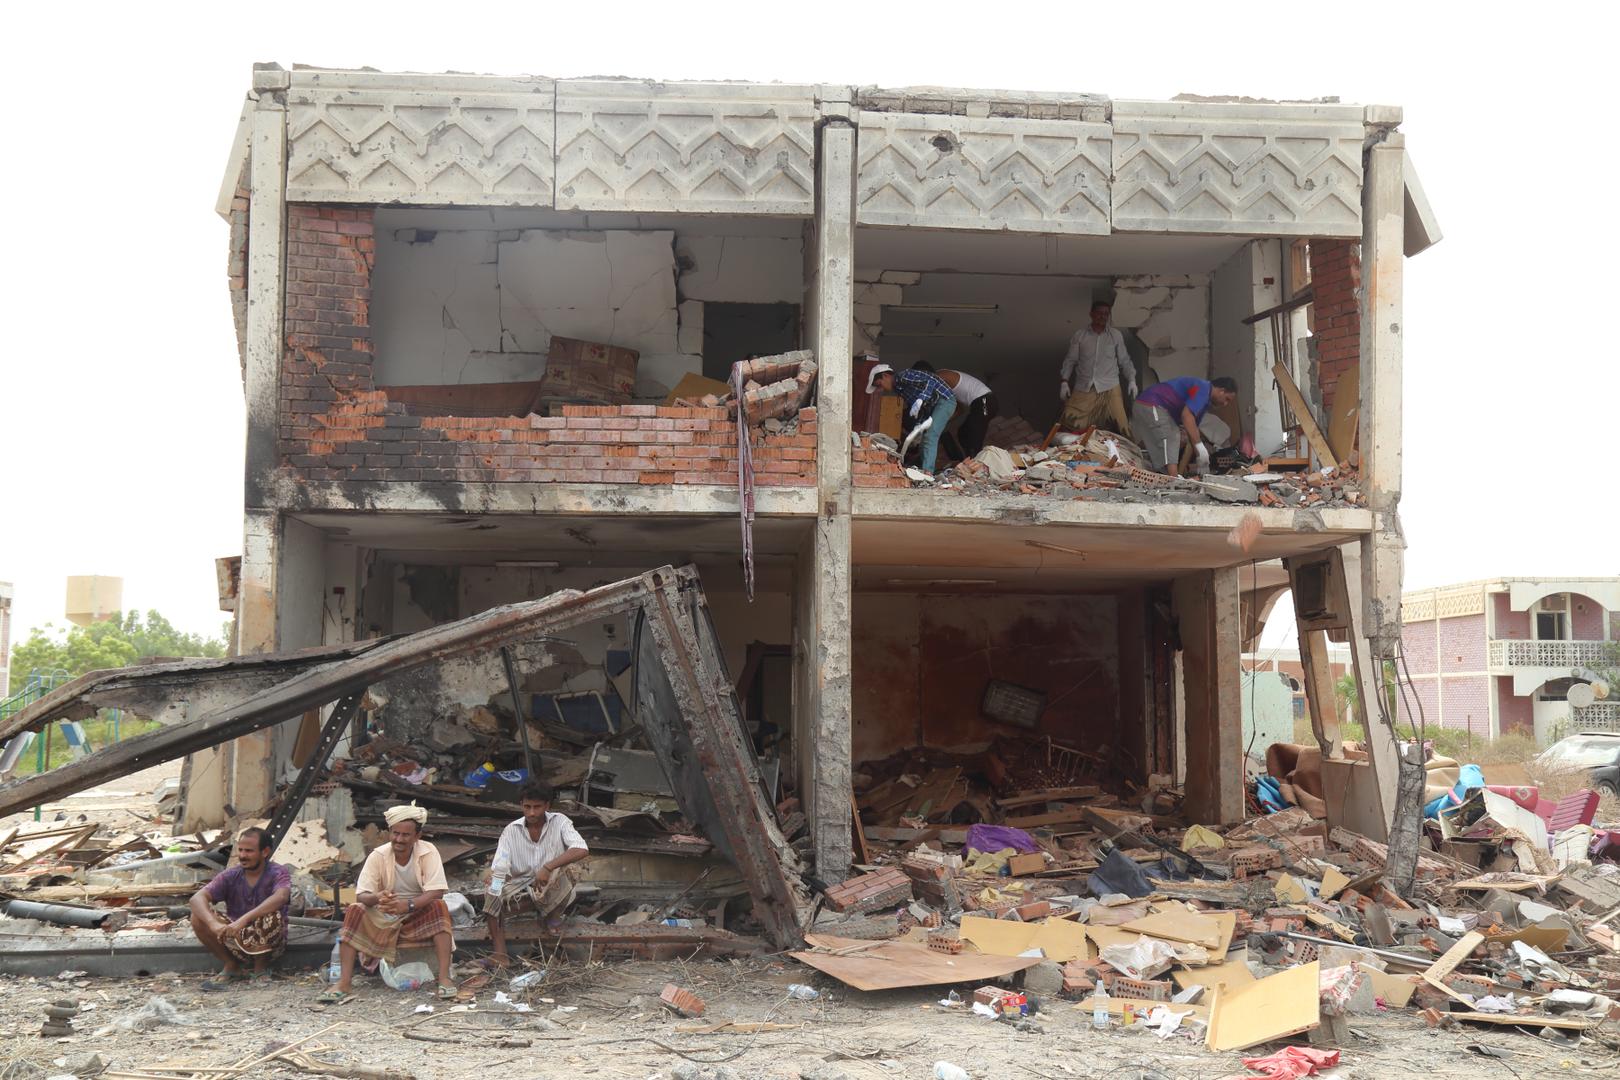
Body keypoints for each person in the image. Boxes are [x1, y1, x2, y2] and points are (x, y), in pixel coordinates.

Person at [320, 803, 455, 1004]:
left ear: (417, 836)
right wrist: (378, 897)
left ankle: (444, 978)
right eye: (395, 833)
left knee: (439, 907)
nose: (399, 839)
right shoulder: (379, 855)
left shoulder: (428, 851)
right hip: (384, 913)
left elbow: (437, 891)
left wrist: (407, 905)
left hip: (415, 913)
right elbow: (362, 895)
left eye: (405, 835)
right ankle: (344, 982)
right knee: (355, 910)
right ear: (389, 832)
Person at [484, 782, 590, 966]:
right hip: (522, 882)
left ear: (547, 806)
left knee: (572, 868)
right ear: (521, 805)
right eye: (527, 807)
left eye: (537, 807)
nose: (532, 812)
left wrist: (548, 867)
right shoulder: (511, 830)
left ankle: (553, 916)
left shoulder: (560, 821)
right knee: (492, 890)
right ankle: (500, 954)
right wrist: (495, 883)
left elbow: (581, 848)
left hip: (553, 880)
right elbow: (501, 867)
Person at [189, 827, 291, 990]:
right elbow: (196, 899)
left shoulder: (278, 872)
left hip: (270, 944)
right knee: (197, 916)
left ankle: (260, 969)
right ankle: (231, 966)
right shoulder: (231, 875)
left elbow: (281, 897)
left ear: (265, 852)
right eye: (241, 850)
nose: (243, 855)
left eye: (249, 851)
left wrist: (243, 920)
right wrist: (214, 925)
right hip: (235, 939)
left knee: (272, 914)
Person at [1131, 376, 1238, 476]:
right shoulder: (1204, 388)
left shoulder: (1204, 400)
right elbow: (1186, 416)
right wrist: (1201, 448)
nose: (1225, 404)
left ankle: (1163, 476)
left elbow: (1193, 430)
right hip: (1152, 403)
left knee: (1162, 447)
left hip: (1145, 404)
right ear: (1221, 391)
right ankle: (1173, 481)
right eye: (1227, 399)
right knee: (1172, 436)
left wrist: (1201, 459)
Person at [1058, 300, 1136, 436]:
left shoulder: (1115, 335)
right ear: (1091, 314)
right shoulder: (1080, 335)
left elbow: (1125, 360)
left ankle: (1130, 454)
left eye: (1106, 314)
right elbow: (1070, 360)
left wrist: (1132, 380)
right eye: (1099, 313)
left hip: (1110, 386)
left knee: (1122, 425)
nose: (1103, 316)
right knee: (1068, 421)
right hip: (1084, 386)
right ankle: (1067, 451)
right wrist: (1064, 382)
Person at [865, 363, 956, 475]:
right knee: (923, 441)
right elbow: (921, 408)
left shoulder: (904, 376)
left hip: (945, 399)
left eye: (879, 384)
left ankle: (928, 473)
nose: (882, 388)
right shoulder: (899, 390)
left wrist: (921, 399)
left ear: (885, 376)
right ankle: (923, 472)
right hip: (933, 406)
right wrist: (918, 425)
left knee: (931, 435)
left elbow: (930, 379)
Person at [912, 362, 997, 460]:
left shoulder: (941, 375)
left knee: (973, 434)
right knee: (963, 433)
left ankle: (977, 463)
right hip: (979, 404)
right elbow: (959, 410)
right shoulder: (949, 389)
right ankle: (971, 460)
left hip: (985, 401)